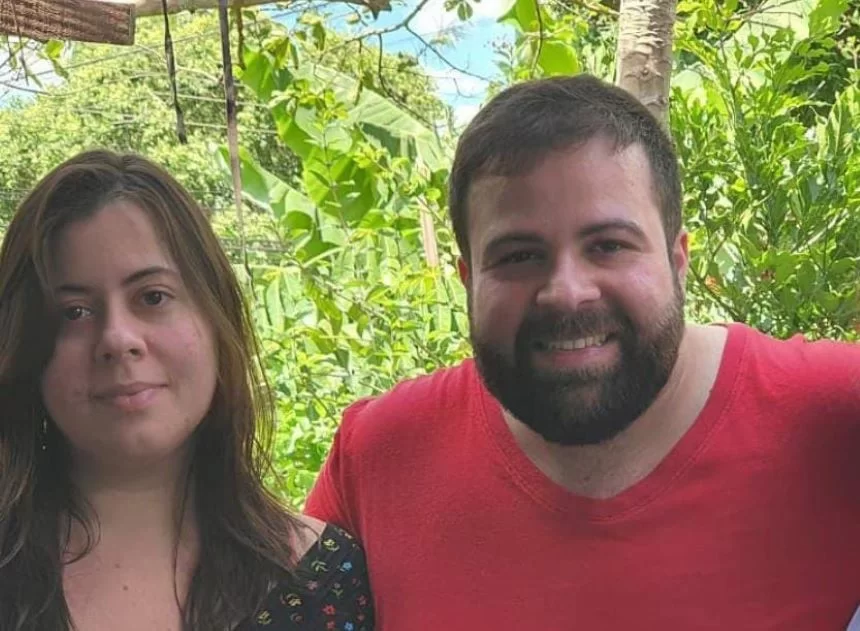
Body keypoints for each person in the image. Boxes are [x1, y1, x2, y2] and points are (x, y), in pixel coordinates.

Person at [305, 74, 860, 629]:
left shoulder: (835, 416)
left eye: (609, 246)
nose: (567, 292)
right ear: (469, 280)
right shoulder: (381, 456)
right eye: (519, 256)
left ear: (678, 260)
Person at [0, 151, 374, 631]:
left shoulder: (321, 583)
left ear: (217, 318)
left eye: (152, 297)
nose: (117, 339)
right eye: (74, 311)